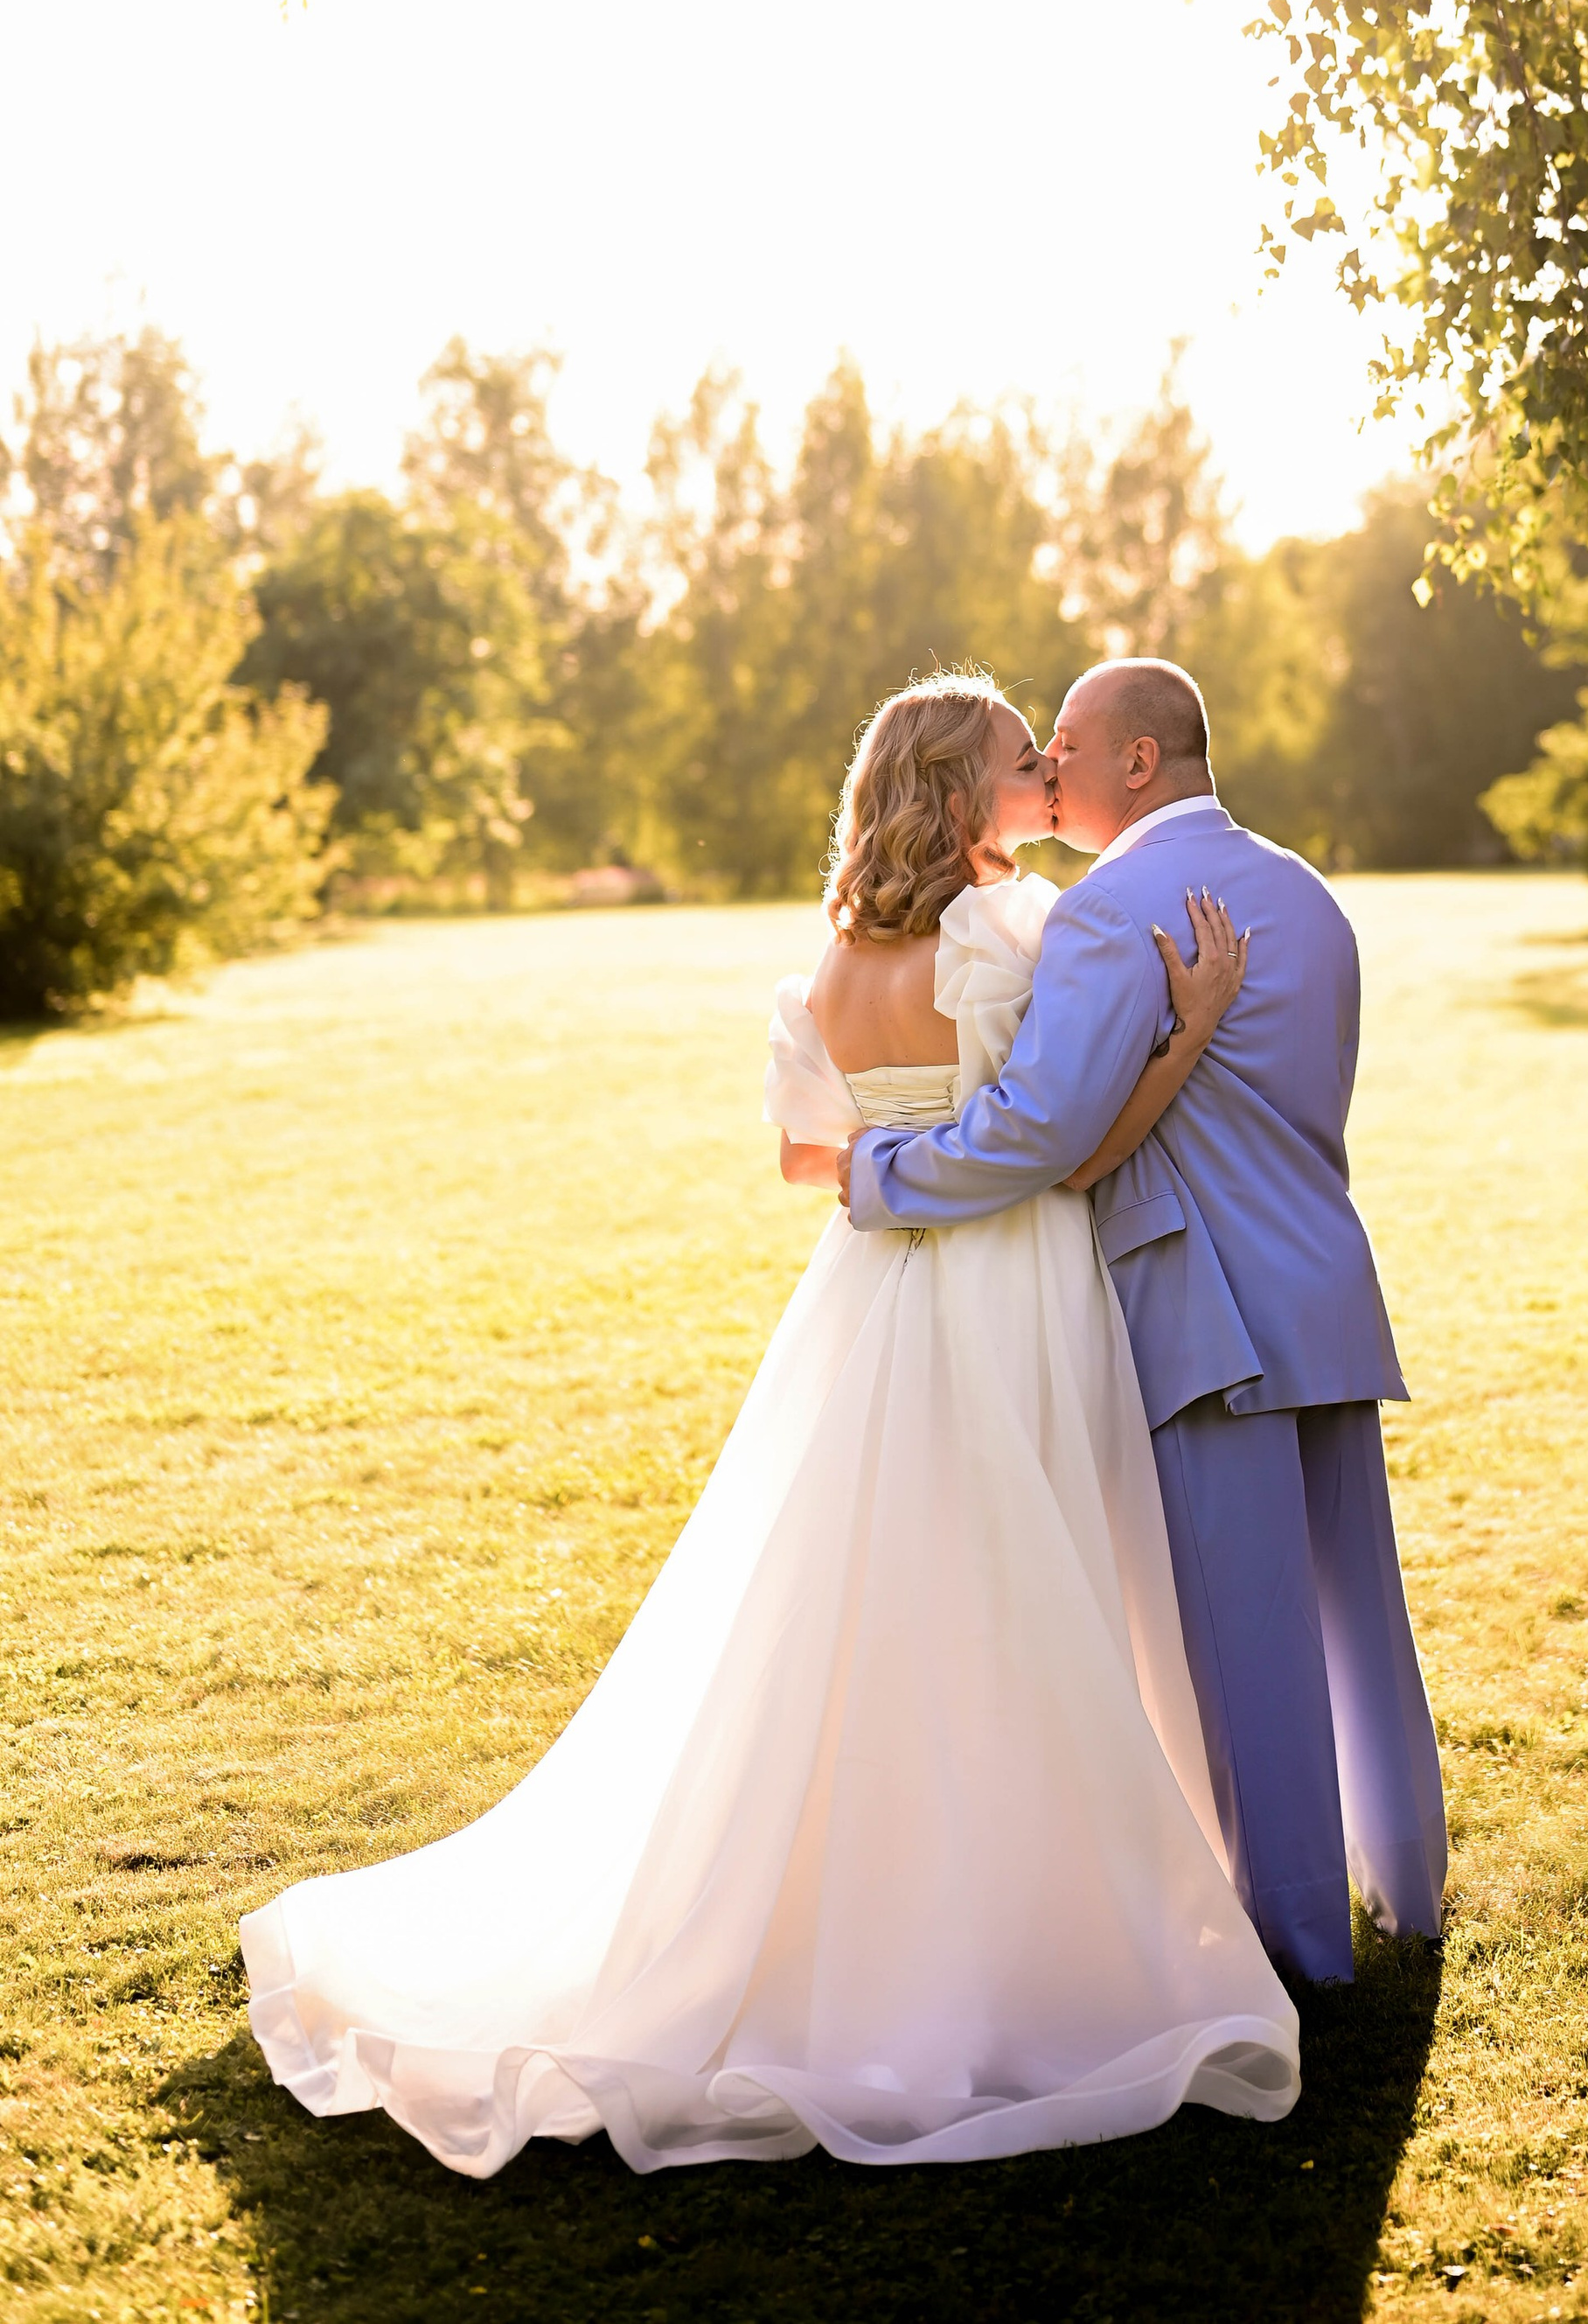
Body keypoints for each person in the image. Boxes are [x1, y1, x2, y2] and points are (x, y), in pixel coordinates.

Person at [241, 673, 1299, 2174]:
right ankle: (1012, 1925)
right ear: (959, 796)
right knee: (1022, 1587)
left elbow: (811, 1159)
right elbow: (1065, 1145)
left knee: (864, 1601)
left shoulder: (833, 962)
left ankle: (887, 1902)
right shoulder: (1018, 931)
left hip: (869, 1305)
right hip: (1008, 1295)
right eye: (1021, 762)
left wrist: (897, 1154)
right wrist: (1184, 1034)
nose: (1049, 774)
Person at [842, 657, 1446, 1986]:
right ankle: (1413, 1889)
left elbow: (1044, 1134)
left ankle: (1298, 1947)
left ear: (1137, 763)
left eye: (1065, 741)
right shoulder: (1306, 894)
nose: (1047, 766)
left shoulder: (1114, 911)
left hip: (1208, 1314)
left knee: (1250, 1646)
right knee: (1362, 1614)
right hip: (1327, 1290)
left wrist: (882, 1171)